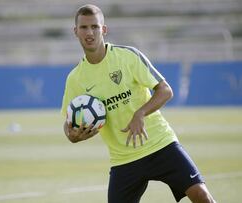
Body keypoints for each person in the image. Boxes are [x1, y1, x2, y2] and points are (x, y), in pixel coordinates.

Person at [61, 4, 216, 203]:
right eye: (84, 27)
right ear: (76, 32)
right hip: (124, 159)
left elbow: (165, 90)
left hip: (161, 144)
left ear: (104, 29)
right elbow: (68, 123)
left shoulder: (127, 56)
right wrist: (72, 135)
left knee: (202, 196)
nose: (89, 32)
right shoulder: (75, 79)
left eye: (95, 27)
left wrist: (140, 113)